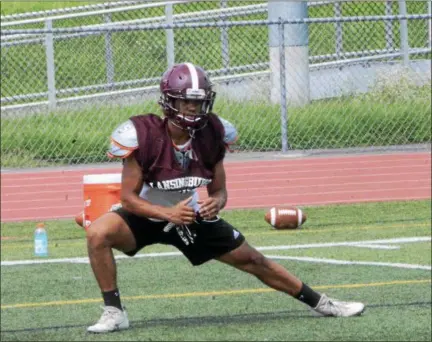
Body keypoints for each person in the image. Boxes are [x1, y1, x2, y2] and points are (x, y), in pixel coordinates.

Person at [86, 62, 365, 333]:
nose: (193, 108)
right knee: (98, 233)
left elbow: (219, 191)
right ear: (169, 102)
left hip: (190, 215)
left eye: (198, 101)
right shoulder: (143, 135)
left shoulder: (213, 133)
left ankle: (322, 303)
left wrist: (216, 203)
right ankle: (114, 311)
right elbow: (128, 198)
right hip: (146, 214)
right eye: (186, 102)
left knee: (254, 260)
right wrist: (168, 214)